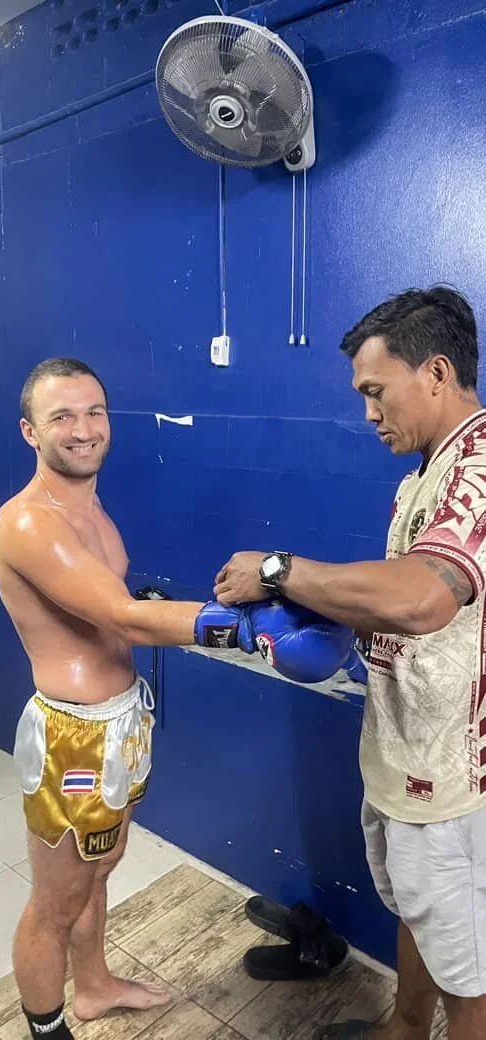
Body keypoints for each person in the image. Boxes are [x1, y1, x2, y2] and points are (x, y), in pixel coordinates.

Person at [0, 357, 353, 1040]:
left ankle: (92, 987)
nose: (84, 428)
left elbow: (116, 609)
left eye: (94, 411)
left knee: (101, 869)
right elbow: (123, 617)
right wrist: (242, 629)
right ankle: (46, 1028)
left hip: (120, 723)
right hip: (73, 736)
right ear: (29, 432)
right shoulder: (30, 523)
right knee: (56, 901)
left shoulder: (88, 507)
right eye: (61, 416)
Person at [214, 287, 486, 1040]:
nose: (369, 414)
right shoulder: (431, 470)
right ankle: (403, 1027)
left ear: (435, 373)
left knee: (471, 980)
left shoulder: (481, 467)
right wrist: (336, 618)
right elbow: (410, 603)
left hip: (457, 782)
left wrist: (278, 568)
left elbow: (428, 596)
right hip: (406, 751)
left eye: (376, 392)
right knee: (415, 909)